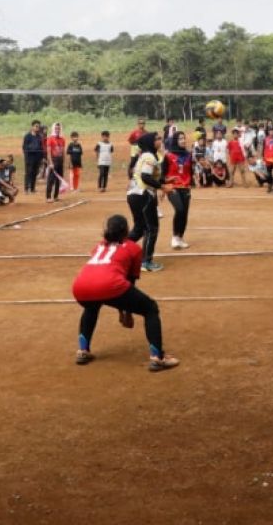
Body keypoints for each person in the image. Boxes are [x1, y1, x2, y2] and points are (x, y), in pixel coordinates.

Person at [70, 214, 179, 371]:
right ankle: (158, 358)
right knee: (150, 308)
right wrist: (127, 313)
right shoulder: (133, 248)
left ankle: (83, 350)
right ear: (127, 230)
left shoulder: (99, 246)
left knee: (91, 307)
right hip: (109, 285)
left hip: (80, 286)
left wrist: (124, 311)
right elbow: (129, 284)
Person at [127, 133, 167, 272]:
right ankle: (146, 262)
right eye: (157, 139)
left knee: (139, 228)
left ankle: (116, 249)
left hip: (134, 195)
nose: (160, 140)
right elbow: (145, 177)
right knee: (152, 228)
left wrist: (166, 181)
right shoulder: (149, 157)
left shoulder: (147, 156)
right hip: (143, 195)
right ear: (150, 142)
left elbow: (149, 176)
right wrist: (162, 187)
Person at [163, 131, 193, 250]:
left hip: (185, 187)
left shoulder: (189, 155)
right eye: (180, 139)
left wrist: (191, 183)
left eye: (184, 138)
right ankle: (174, 237)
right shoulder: (168, 156)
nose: (183, 141)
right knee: (179, 209)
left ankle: (180, 237)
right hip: (172, 187)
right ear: (175, 141)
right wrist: (165, 184)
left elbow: (190, 171)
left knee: (184, 213)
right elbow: (162, 174)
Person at [44, 123, 67, 202]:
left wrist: (64, 161)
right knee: (51, 179)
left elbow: (63, 151)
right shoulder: (50, 138)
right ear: (53, 129)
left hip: (60, 160)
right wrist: (50, 163)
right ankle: (48, 197)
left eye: (59, 128)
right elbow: (49, 152)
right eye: (56, 128)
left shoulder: (62, 139)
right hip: (53, 160)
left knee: (59, 179)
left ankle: (56, 196)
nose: (57, 130)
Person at [21, 120, 44, 194]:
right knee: (28, 172)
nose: (37, 128)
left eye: (38, 127)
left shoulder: (39, 136)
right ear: (32, 127)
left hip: (37, 157)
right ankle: (26, 189)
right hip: (29, 157)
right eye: (36, 126)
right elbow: (24, 147)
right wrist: (27, 155)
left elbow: (41, 147)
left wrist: (41, 157)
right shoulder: (27, 136)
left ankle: (33, 188)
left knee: (35, 173)